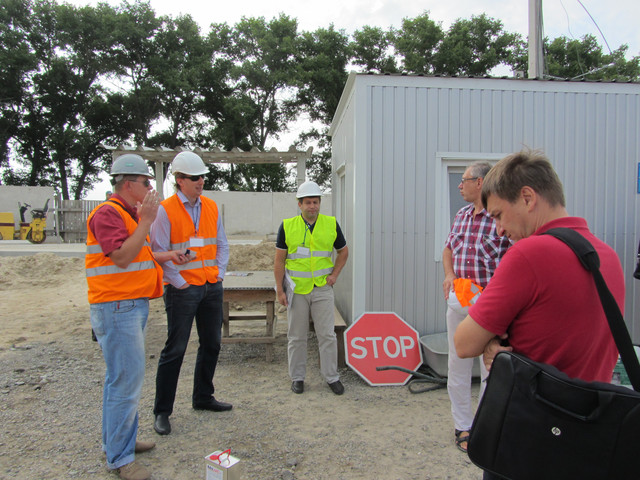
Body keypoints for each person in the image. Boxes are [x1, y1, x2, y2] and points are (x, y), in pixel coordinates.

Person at [453, 150, 625, 480]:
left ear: (528, 197)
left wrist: (492, 345)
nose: (500, 231)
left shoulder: (528, 254)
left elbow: (463, 343)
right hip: (590, 435)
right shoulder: (608, 256)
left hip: (530, 433)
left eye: (500, 215)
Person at [87, 154, 190, 480]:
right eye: (146, 182)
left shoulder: (126, 215)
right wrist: (147, 220)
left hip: (128, 306)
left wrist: (166, 255)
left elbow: (138, 254)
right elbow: (120, 257)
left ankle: (119, 442)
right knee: (125, 384)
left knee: (119, 380)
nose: (150, 188)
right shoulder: (108, 214)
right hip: (117, 308)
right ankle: (120, 459)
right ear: (128, 184)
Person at [150, 151, 231, 436]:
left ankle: (203, 398)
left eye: (202, 177)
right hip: (182, 290)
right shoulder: (165, 210)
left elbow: (221, 244)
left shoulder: (211, 206)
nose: (201, 181)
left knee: (212, 344)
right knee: (175, 349)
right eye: (195, 177)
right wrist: (179, 282)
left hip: (210, 287)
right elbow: (157, 251)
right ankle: (162, 411)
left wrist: (218, 275)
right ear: (180, 180)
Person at [442, 161, 511, 453]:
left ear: (480, 182)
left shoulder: (500, 218)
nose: (460, 185)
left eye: (465, 180)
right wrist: (449, 275)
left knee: (489, 368)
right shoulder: (461, 215)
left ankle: (484, 425)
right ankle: (462, 426)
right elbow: (448, 248)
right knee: (456, 364)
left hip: (488, 301)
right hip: (460, 297)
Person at [274, 180, 349, 395]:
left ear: (319, 203)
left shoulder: (331, 224)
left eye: (315, 202)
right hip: (297, 290)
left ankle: (332, 377)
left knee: (327, 335)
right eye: (308, 202)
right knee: (296, 336)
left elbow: (343, 252)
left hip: (322, 288)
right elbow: (279, 261)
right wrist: (280, 290)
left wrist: (334, 275)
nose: (312, 206)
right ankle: (297, 378)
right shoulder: (287, 226)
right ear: (300, 204)